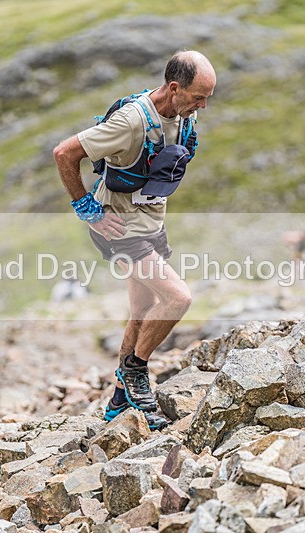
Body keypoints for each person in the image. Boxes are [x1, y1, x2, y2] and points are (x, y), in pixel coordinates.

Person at [53, 50, 216, 430]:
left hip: (152, 227)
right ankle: (136, 370)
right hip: (120, 232)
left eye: (208, 97)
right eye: (197, 97)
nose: (203, 106)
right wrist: (85, 208)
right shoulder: (130, 121)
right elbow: (65, 153)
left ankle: (118, 405)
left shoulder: (182, 118)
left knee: (141, 312)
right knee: (178, 297)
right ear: (174, 88)